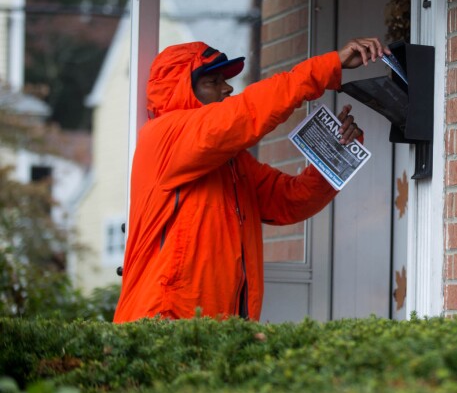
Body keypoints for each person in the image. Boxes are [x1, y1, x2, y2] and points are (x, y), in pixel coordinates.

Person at [113, 37, 389, 322]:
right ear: (183, 90)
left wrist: (336, 153)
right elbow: (245, 114)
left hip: (215, 334)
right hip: (164, 330)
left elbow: (289, 201)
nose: (228, 88)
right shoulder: (162, 136)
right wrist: (327, 66)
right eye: (213, 81)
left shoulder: (232, 162)